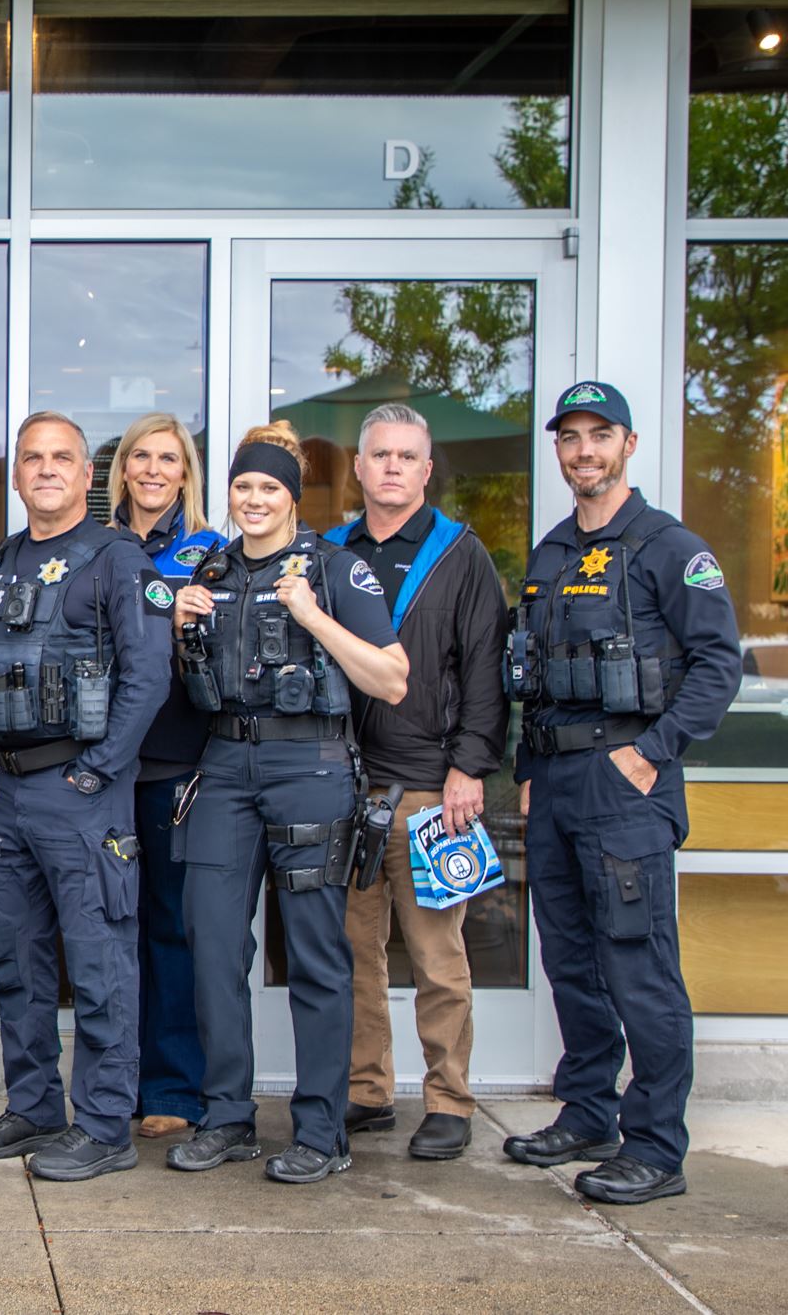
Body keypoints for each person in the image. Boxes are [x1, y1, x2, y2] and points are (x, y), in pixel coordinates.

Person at [501, 381, 740, 1204]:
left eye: (600, 435)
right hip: (557, 781)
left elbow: (719, 665)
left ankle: (657, 1146)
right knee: (570, 959)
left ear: (629, 445)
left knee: (638, 965)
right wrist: (530, 775)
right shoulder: (552, 551)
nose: (584, 451)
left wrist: (653, 754)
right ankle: (589, 1109)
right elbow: (535, 679)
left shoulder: (671, 547)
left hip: (626, 779)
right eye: (570, 438)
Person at [167, 422, 409, 1185]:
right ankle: (228, 1118)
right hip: (225, 763)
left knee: (314, 954)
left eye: (269, 487)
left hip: (310, 764)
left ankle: (321, 1129)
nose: (254, 499)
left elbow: (391, 679)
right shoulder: (210, 568)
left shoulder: (338, 571)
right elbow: (186, 689)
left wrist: (310, 614)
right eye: (243, 486)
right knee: (211, 946)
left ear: (293, 497)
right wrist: (181, 628)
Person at [0, 411, 173, 1182]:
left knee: (101, 962)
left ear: (85, 475)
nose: (45, 469)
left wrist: (98, 771)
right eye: (31, 458)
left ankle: (105, 1124)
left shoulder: (116, 559)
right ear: (17, 478)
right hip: (5, 792)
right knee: (16, 961)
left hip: (80, 793)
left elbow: (148, 677)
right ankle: (35, 1105)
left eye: (61, 457)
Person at [322, 404, 508, 1163]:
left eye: (407, 455)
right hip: (341, 788)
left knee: (438, 957)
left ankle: (448, 1098)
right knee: (354, 951)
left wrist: (471, 766)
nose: (393, 466)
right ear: (359, 469)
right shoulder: (330, 552)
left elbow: (487, 674)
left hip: (431, 791)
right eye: (380, 455)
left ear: (427, 471)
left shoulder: (461, 555)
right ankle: (368, 1090)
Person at [102, 413, 226, 1142]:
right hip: (99, 764)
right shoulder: (96, 547)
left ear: (186, 473)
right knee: (109, 930)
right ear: (121, 469)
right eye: (139, 456)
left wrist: (181, 623)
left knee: (172, 930)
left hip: (178, 765)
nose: (152, 469)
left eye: (168, 458)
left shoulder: (212, 553)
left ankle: (174, 1083)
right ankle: (112, 1082)